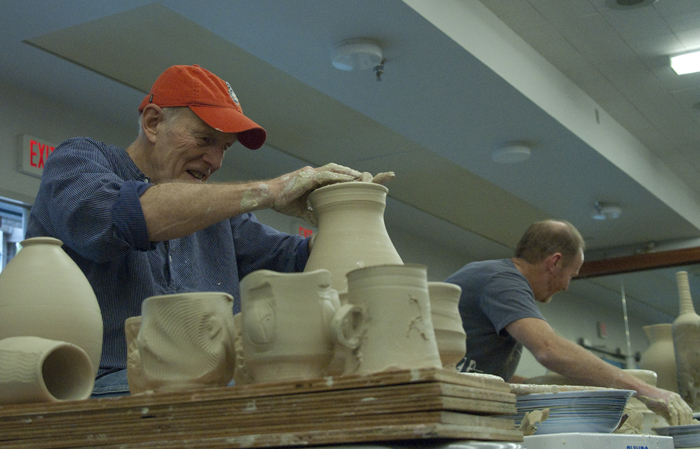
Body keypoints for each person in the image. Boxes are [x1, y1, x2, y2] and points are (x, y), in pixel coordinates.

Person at [26, 64, 392, 397]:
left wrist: (344, 212)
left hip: (210, 392)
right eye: (204, 140)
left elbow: (305, 267)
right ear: (153, 123)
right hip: (89, 388)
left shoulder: (221, 219)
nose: (215, 161)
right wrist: (269, 191)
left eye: (224, 148)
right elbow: (120, 218)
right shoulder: (77, 162)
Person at [445, 219, 693, 426]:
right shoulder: (502, 280)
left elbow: (483, 374)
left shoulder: (501, 280)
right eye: (571, 275)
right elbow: (549, 350)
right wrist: (648, 391)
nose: (566, 286)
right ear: (554, 262)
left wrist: (541, 388)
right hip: (430, 408)